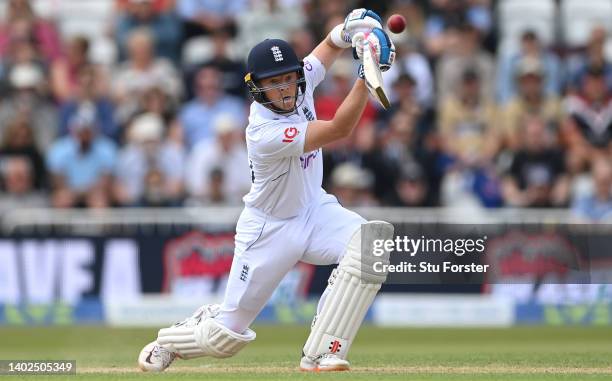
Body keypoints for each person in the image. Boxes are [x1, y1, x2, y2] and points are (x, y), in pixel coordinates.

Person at [138, 8, 396, 373]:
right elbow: (339, 129)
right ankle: (171, 338)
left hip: (315, 210)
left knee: (371, 244)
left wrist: (350, 30)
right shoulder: (263, 132)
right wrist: (367, 74)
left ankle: (323, 351)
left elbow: (326, 45)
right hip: (269, 229)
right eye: (273, 83)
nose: (284, 89)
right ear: (257, 88)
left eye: (288, 79)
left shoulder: (299, 80)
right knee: (225, 337)